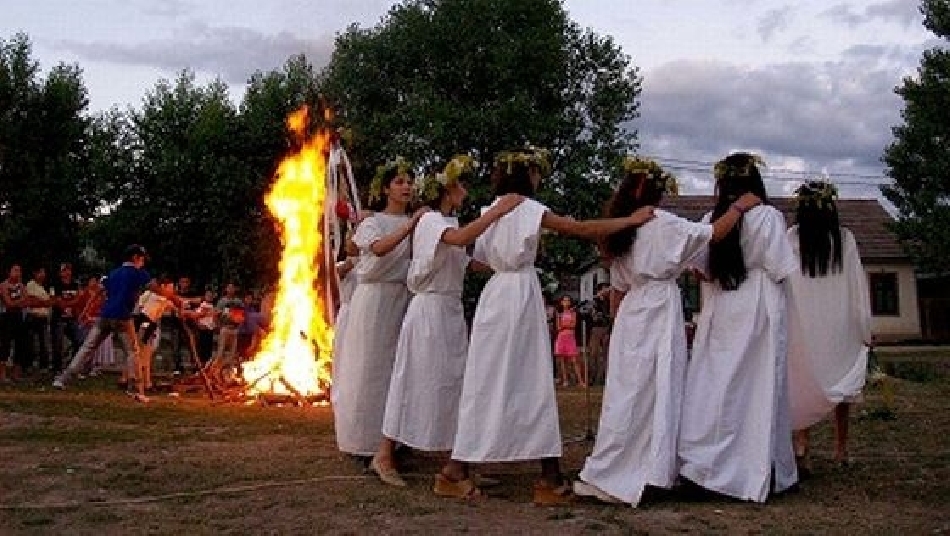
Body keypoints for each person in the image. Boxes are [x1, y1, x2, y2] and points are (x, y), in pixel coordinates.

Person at [448, 147, 655, 505]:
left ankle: (462, 468)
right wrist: (630, 221)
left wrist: (509, 256)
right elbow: (582, 229)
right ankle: (546, 476)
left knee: (486, 381)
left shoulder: (488, 213)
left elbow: (477, 261)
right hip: (518, 297)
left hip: (496, 296)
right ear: (528, 176)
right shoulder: (530, 209)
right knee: (532, 380)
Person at [573, 157, 761, 506]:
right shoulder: (662, 222)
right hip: (659, 309)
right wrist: (738, 207)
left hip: (632, 313)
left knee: (628, 394)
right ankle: (647, 470)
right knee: (659, 389)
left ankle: (624, 466)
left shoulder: (622, 230)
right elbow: (713, 234)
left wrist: (618, 328)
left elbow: (617, 289)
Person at [371, 156, 524, 492]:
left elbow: (466, 262)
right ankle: (384, 454)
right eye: (461, 186)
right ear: (447, 189)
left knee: (455, 386)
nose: (466, 192)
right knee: (412, 380)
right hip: (428, 312)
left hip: (449, 312)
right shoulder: (429, 221)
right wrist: (496, 212)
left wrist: (512, 263)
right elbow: (456, 240)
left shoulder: (446, 221)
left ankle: (458, 462)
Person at [677, 153, 799, 503]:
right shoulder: (769, 217)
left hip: (721, 304)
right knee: (758, 387)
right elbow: (779, 266)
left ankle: (704, 466)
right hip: (758, 306)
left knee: (714, 386)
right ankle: (755, 466)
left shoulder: (712, 219)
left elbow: (700, 269)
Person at [334, 157, 427, 460]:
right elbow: (378, 248)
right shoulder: (372, 222)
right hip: (373, 302)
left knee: (396, 371)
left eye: (410, 182)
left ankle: (395, 442)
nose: (407, 187)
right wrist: (411, 225)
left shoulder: (418, 223)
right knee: (368, 371)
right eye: (399, 182)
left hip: (402, 299)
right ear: (386, 188)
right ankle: (363, 442)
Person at [785, 180, 872, 473]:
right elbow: (857, 283)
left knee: (805, 382)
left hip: (805, 322)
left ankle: (803, 445)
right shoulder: (844, 239)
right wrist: (863, 325)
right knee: (841, 380)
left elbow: (784, 281)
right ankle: (841, 448)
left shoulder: (792, 238)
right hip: (837, 321)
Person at [54, 245, 179, 403]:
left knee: (87, 348)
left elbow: (98, 292)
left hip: (105, 314)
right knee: (133, 352)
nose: (143, 262)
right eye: (141, 259)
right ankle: (136, 389)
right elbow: (156, 289)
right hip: (122, 316)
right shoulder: (138, 273)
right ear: (135, 258)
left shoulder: (113, 273)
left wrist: (86, 311)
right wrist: (176, 298)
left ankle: (63, 379)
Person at [51, 262, 83, 375]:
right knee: (58, 343)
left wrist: (70, 303)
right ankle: (57, 368)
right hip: (58, 317)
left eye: (68, 270)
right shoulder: (55, 284)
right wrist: (73, 302)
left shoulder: (75, 284)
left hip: (72, 318)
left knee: (79, 340)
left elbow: (80, 300)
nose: (67, 272)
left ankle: (72, 365)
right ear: (60, 273)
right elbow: (58, 302)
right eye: (64, 270)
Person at [0, 264, 30, 379]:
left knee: (20, 344)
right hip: (6, 317)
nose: (18, 273)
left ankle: (16, 373)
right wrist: (20, 301)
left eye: (19, 271)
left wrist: (18, 302)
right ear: (9, 272)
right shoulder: (3, 285)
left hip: (18, 317)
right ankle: (2, 373)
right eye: (15, 270)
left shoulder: (21, 286)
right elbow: (8, 302)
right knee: (5, 344)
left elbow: (27, 301)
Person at [24, 266, 54, 373]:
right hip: (33, 316)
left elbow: (51, 302)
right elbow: (31, 301)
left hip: (43, 318)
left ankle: (44, 366)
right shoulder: (30, 284)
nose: (43, 275)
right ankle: (28, 365)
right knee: (30, 343)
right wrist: (43, 302)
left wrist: (42, 301)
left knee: (44, 343)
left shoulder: (44, 287)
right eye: (40, 272)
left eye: (44, 272)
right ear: (35, 274)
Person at [554, 295, 584, 387]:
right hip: (561, 337)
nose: (566, 302)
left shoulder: (573, 313)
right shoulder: (559, 314)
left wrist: (564, 325)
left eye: (568, 300)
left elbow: (573, 325)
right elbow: (558, 327)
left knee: (574, 360)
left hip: (570, 337)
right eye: (564, 300)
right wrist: (565, 325)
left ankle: (580, 381)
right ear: (561, 302)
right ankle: (565, 380)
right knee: (563, 360)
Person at [587, 283, 612, 385]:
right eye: (604, 289)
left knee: (606, 354)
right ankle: (592, 377)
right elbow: (593, 316)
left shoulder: (609, 302)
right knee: (594, 353)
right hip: (596, 328)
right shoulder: (594, 302)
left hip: (606, 328)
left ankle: (603, 378)